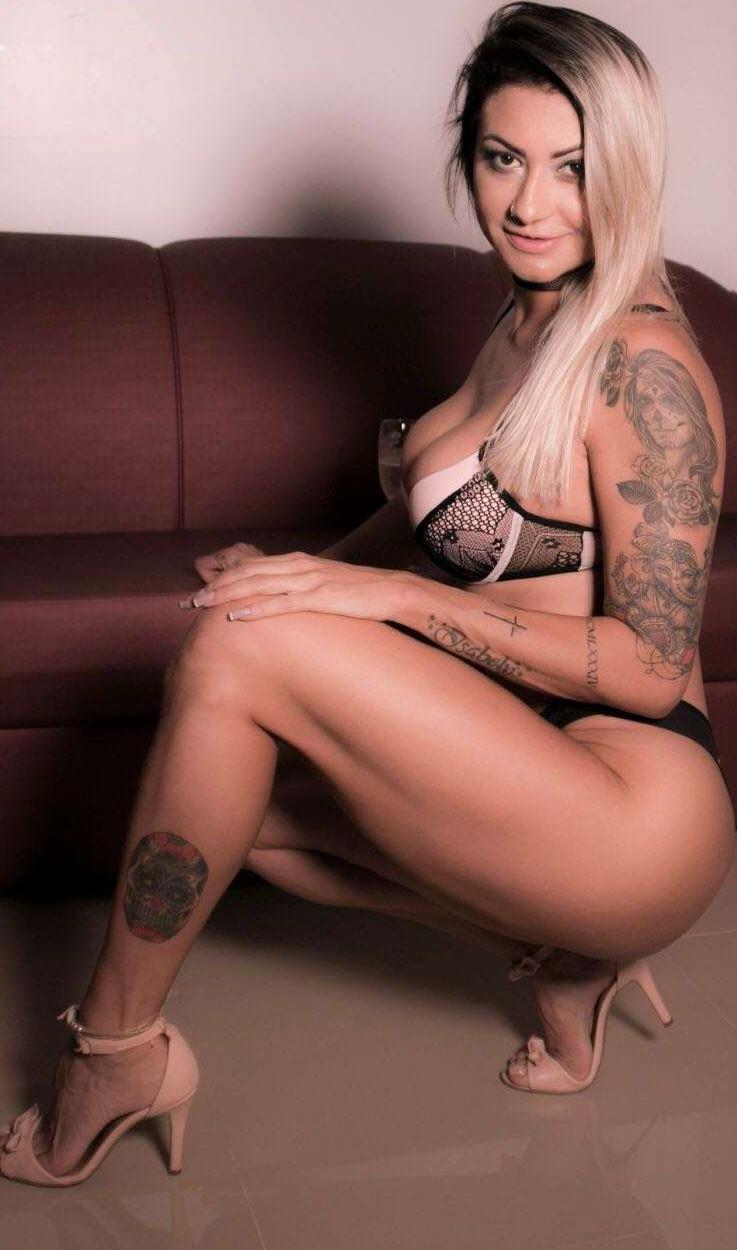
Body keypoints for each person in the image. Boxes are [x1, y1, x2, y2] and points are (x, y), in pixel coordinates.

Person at [2, 0, 734, 1184]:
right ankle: (560, 956)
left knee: (237, 647)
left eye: (571, 167)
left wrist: (375, 601)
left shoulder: (640, 365)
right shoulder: (523, 319)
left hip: (637, 802)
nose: (530, 202)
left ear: (628, 169)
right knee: (237, 806)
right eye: (501, 157)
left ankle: (114, 1054)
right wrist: (319, 569)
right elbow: (437, 513)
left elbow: (650, 669)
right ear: (466, 158)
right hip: (524, 754)